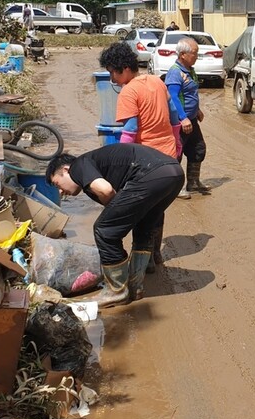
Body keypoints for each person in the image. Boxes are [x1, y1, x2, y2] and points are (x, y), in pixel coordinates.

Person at [45, 144, 184, 306]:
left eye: (57, 184)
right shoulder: (94, 166)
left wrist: (115, 219)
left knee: (104, 230)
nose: (60, 192)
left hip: (150, 174)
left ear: (66, 170)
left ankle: (116, 291)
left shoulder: (78, 166)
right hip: (175, 173)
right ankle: (135, 285)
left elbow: (106, 190)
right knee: (143, 226)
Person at [99, 42, 181, 269]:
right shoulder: (157, 81)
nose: (112, 79)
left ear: (123, 68)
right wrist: (178, 146)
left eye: (112, 72)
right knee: (158, 208)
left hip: (145, 162)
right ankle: (156, 254)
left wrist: (119, 160)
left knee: (139, 210)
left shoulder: (129, 91)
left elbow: (131, 130)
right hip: (169, 156)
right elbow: (174, 117)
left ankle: (143, 262)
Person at [165, 36, 212, 197]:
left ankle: (193, 182)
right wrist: (183, 118)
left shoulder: (190, 71)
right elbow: (173, 97)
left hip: (191, 120)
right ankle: (174, 188)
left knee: (198, 149)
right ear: (183, 54)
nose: (197, 56)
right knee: (176, 154)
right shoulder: (175, 73)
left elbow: (191, 93)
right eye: (194, 53)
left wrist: (197, 110)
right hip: (180, 122)